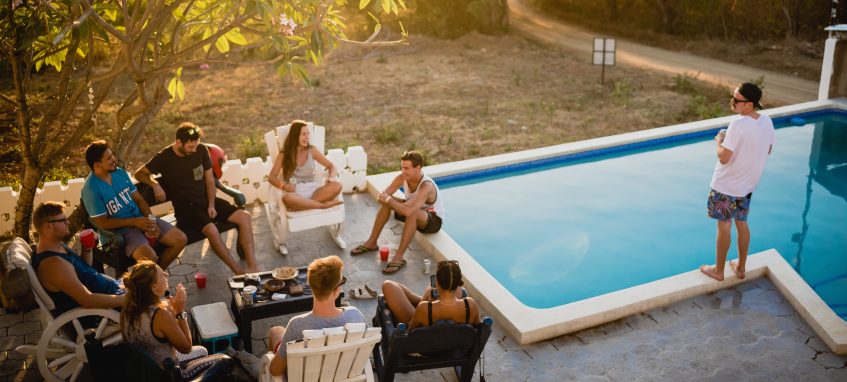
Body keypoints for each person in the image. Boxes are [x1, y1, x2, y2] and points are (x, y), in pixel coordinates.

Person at [134, 122, 259, 275]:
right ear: (179, 142)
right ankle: (239, 273)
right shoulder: (164, 157)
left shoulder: (200, 149)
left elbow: (209, 180)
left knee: (244, 217)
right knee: (212, 230)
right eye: (190, 147)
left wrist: (212, 204)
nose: (195, 150)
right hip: (186, 209)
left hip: (206, 201)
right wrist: (154, 184)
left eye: (196, 145)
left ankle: (253, 268)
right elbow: (139, 173)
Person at [700, 82, 774, 281]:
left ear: (749, 104)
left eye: (736, 100)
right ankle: (741, 268)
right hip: (747, 186)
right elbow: (767, 150)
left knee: (724, 227)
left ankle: (718, 271)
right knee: (742, 224)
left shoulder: (737, 125)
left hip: (725, 186)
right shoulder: (767, 121)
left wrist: (719, 142)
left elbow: (723, 157)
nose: (732, 102)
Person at [82, 140, 187, 269]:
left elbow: (139, 200)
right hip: (121, 233)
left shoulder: (119, 173)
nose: (114, 159)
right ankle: (151, 278)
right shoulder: (91, 189)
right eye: (109, 158)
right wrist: (134, 222)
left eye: (112, 155)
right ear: (97, 165)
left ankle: (154, 276)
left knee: (180, 239)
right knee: (150, 258)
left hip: (142, 220)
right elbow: (102, 223)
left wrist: (152, 220)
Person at [266, 255, 365, 377]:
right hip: (343, 374)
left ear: (312, 287)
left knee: (275, 331)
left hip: (306, 376)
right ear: (336, 291)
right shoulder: (355, 316)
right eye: (342, 281)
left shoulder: (296, 325)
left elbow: (275, 371)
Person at [350, 151, 445, 274]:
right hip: (414, 210)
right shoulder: (402, 178)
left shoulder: (426, 186)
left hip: (432, 221)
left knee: (410, 212)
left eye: (406, 168)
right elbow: (381, 197)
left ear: (418, 168)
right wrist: (395, 202)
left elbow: (408, 211)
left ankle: (399, 257)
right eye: (402, 167)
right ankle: (371, 242)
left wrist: (391, 200)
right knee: (388, 204)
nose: (403, 171)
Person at [120, 260, 217, 378]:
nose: (167, 275)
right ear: (153, 287)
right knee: (205, 353)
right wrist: (180, 312)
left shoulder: (127, 307)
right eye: (161, 275)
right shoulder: (160, 315)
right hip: (165, 374)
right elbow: (186, 348)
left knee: (200, 350)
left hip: (142, 368)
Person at [31, 201, 125, 317]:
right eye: (63, 220)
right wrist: (127, 299)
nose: (68, 222)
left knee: (149, 276)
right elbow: (87, 300)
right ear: (49, 226)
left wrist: (87, 248)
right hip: (107, 310)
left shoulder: (57, 246)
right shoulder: (53, 264)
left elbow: (83, 271)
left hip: (113, 291)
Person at [381, 260, 480, 330]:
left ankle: (422, 298)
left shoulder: (424, 308)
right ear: (458, 282)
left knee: (388, 285)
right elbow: (476, 329)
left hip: (426, 349)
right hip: (454, 347)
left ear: (437, 283)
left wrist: (425, 299)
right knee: (460, 290)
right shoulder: (470, 304)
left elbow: (410, 333)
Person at [267, 120, 343, 210]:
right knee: (286, 198)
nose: (307, 137)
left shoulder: (312, 150)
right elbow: (271, 177)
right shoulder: (284, 154)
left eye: (308, 134)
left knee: (337, 185)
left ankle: (307, 205)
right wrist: (283, 186)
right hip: (295, 192)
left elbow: (332, 166)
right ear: (295, 136)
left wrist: (331, 178)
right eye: (303, 134)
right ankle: (323, 205)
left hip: (314, 190)